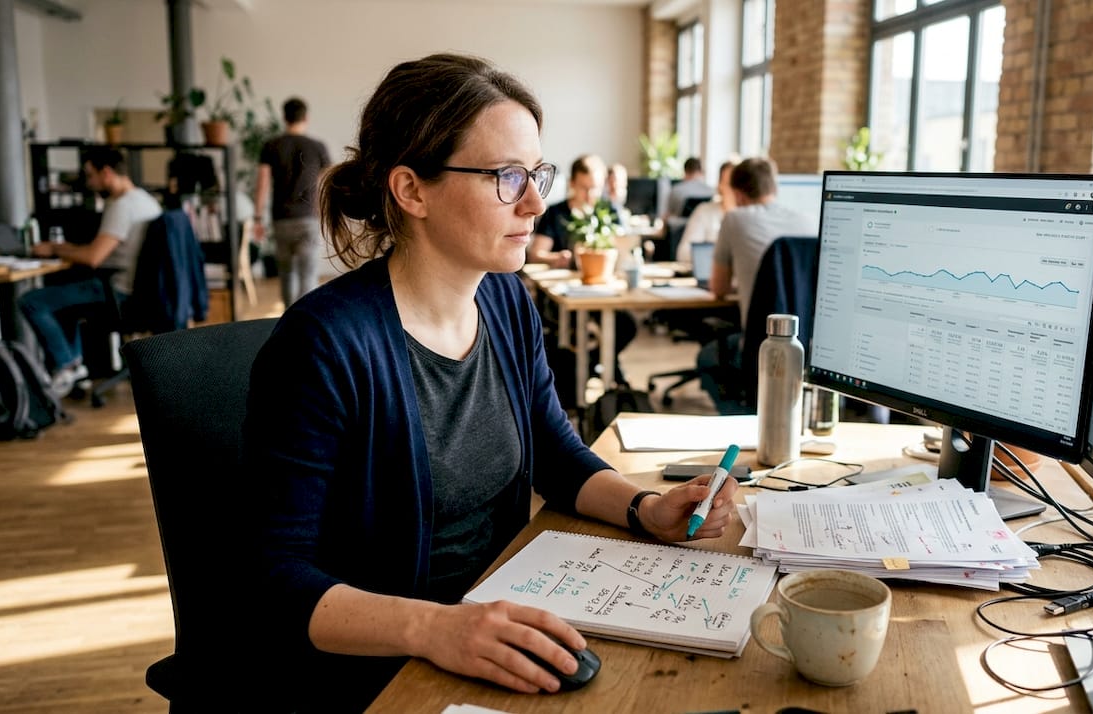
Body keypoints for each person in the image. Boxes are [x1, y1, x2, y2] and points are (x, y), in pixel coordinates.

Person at [244, 53, 738, 713]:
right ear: (411, 191)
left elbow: (555, 450)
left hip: (498, 623)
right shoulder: (324, 345)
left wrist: (643, 508)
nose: (536, 203)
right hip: (383, 668)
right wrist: (435, 627)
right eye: (507, 177)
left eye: (537, 173)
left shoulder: (505, 302)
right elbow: (271, 581)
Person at [19, 146, 161, 397]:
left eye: (90, 175)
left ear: (106, 173)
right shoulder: (147, 200)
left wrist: (53, 247)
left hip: (117, 290)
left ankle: (67, 365)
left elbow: (93, 257)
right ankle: (74, 368)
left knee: (32, 301)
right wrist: (66, 248)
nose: (88, 182)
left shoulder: (122, 206)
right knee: (64, 303)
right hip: (142, 292)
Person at [698, 157, 814, 414]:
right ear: (774, 188)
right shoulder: (809, 221)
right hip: (809, 347)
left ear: (737, 194)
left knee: (707, 358)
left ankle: (744, 422)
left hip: (762, 346)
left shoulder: (734, 219)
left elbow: (719, 288)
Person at [528, 153, 637, 385]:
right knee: (574, 329)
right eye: (584, 188)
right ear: (572, 185)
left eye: (595, 188)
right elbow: (536, 253)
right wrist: (555, 258)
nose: (590, 195)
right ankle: (594, 369)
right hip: (564, 297)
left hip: (603, 292)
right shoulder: (557, 214)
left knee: (626, 325)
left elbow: (625, 248)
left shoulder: (608, 212)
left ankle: (588, 366)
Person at [254, 96, 331, 308]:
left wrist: (258, 218)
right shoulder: (317, 147)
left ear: (284, 117)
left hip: (281, 219)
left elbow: (262, 184)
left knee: (287, 274)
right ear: (305, 117)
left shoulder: (271, 146)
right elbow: (326, 185)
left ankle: (288, 320)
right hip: (308, 218)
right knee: (308, 275)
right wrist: (326, 216)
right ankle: (306, 325)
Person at [675, 157, 739, 264]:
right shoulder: (704, 211)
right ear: (719, 185)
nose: (735, 190)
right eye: (730, 184)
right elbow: (683, 253)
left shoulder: (750, 217)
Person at [663, 156, 714, 222]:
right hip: (703, 229)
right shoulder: (711, 191)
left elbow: (668, 214)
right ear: (700, 171)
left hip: (679, 230)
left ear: (685, 171)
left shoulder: (676, 190)